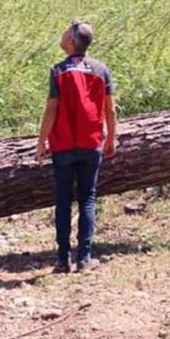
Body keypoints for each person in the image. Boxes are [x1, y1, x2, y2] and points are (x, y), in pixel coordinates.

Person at [35, 19, 117, 274]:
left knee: (62, 202)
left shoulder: (58, 71)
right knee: (88, 200)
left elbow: (52, 109)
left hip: (63, 145)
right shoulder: (101, 70)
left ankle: (62, 259)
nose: (61, 35)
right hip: (91, 142)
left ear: (71, 41)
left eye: (64, 33)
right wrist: (112, 138)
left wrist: (41, 141)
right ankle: (84, 259)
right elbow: (110, 109)